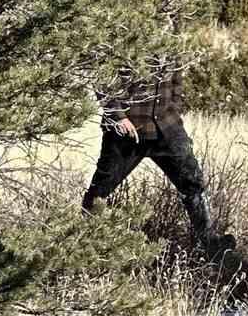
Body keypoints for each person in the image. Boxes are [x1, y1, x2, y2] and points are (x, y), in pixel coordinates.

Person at [82, 58, 218, 240]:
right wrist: (118, 116)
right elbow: (102, 76)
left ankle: (209, 244)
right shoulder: (121, 33)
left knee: (193, 183)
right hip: (126, 132)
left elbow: (176, 77)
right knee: (100, 189)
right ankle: (82, 242)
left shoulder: (171, 35)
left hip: (167, 128)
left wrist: (174, 108)